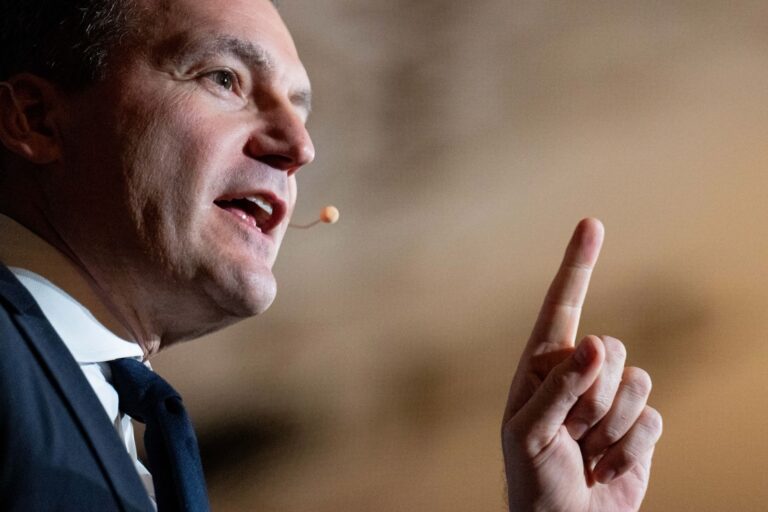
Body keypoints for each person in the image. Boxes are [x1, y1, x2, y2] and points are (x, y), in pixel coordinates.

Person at [0, 0, 662, 511]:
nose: (300, 146)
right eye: (224, 78)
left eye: (299, 107)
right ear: (35, 118)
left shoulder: (120, 430)